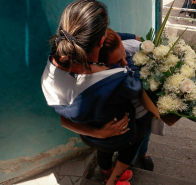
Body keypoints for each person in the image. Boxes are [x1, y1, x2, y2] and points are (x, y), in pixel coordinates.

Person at [41, 1, 145, 185]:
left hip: (89, 136)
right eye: (106, 32)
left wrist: (98, 134)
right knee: (140, 136)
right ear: (101, 41)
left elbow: (63, 120)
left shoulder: (53, 66)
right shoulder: (112, 79)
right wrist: (126, 56)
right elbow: (136, 86)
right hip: (118, 135)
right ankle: (113, 180)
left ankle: (108, 175)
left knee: (103, 155)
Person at [99, 32, 154, 171]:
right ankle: (112, 171)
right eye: (117, 62)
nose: (123, 63)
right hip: (117, 117)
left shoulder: (131, 47)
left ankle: (143, 154)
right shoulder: (98, 76)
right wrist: (129, 59)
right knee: (111, 146)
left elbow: (136, 39)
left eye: (124, 54)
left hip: (142, 112)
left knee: (143, 135)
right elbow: (133, 88)